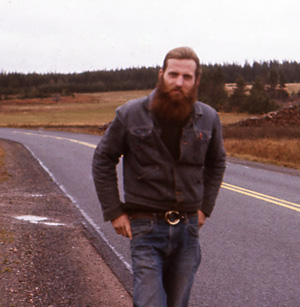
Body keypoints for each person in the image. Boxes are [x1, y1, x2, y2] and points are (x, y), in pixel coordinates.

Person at [92, 46, 226, 307]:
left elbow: (217, 162)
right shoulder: (130, 114)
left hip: (188, 229)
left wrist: (204, 209)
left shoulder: (208, 118)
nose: (179, 82)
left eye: (187, 77)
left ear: (196, 81)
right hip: (145, 228)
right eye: (173, 74)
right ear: (161, 74)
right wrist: (114, 210)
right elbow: (103, 159)